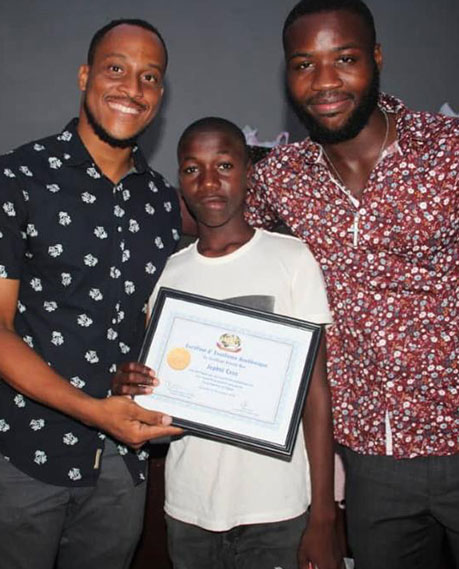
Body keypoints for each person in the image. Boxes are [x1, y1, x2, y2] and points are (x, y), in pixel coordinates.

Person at [245, 1, 459, 568]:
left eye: (345, 58)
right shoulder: (279, 178)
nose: (325, 81)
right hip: (369, 461)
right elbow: (217, 234)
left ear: (377, 59)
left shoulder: (450, 151)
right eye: (303, 63)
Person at [114, 117, 342, 569]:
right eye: (192, 169)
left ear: (248, 173)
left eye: (224, 165)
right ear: (180, 179)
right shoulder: (168, 274)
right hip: (189, 507)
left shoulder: (291, 258)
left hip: (276, 504)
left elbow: (316, 395)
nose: (209, 182)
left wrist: (323, 515)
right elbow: (157, 390)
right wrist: (131, 383)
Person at [0, 19, 183, 569]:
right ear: (85, 76)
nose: (133, 88)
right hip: (24, 457)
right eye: (116, 69)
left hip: (121, 469)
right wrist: (94, 411)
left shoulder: (161, 201)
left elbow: (155, 324)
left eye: (150, 77)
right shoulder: (17, 178)